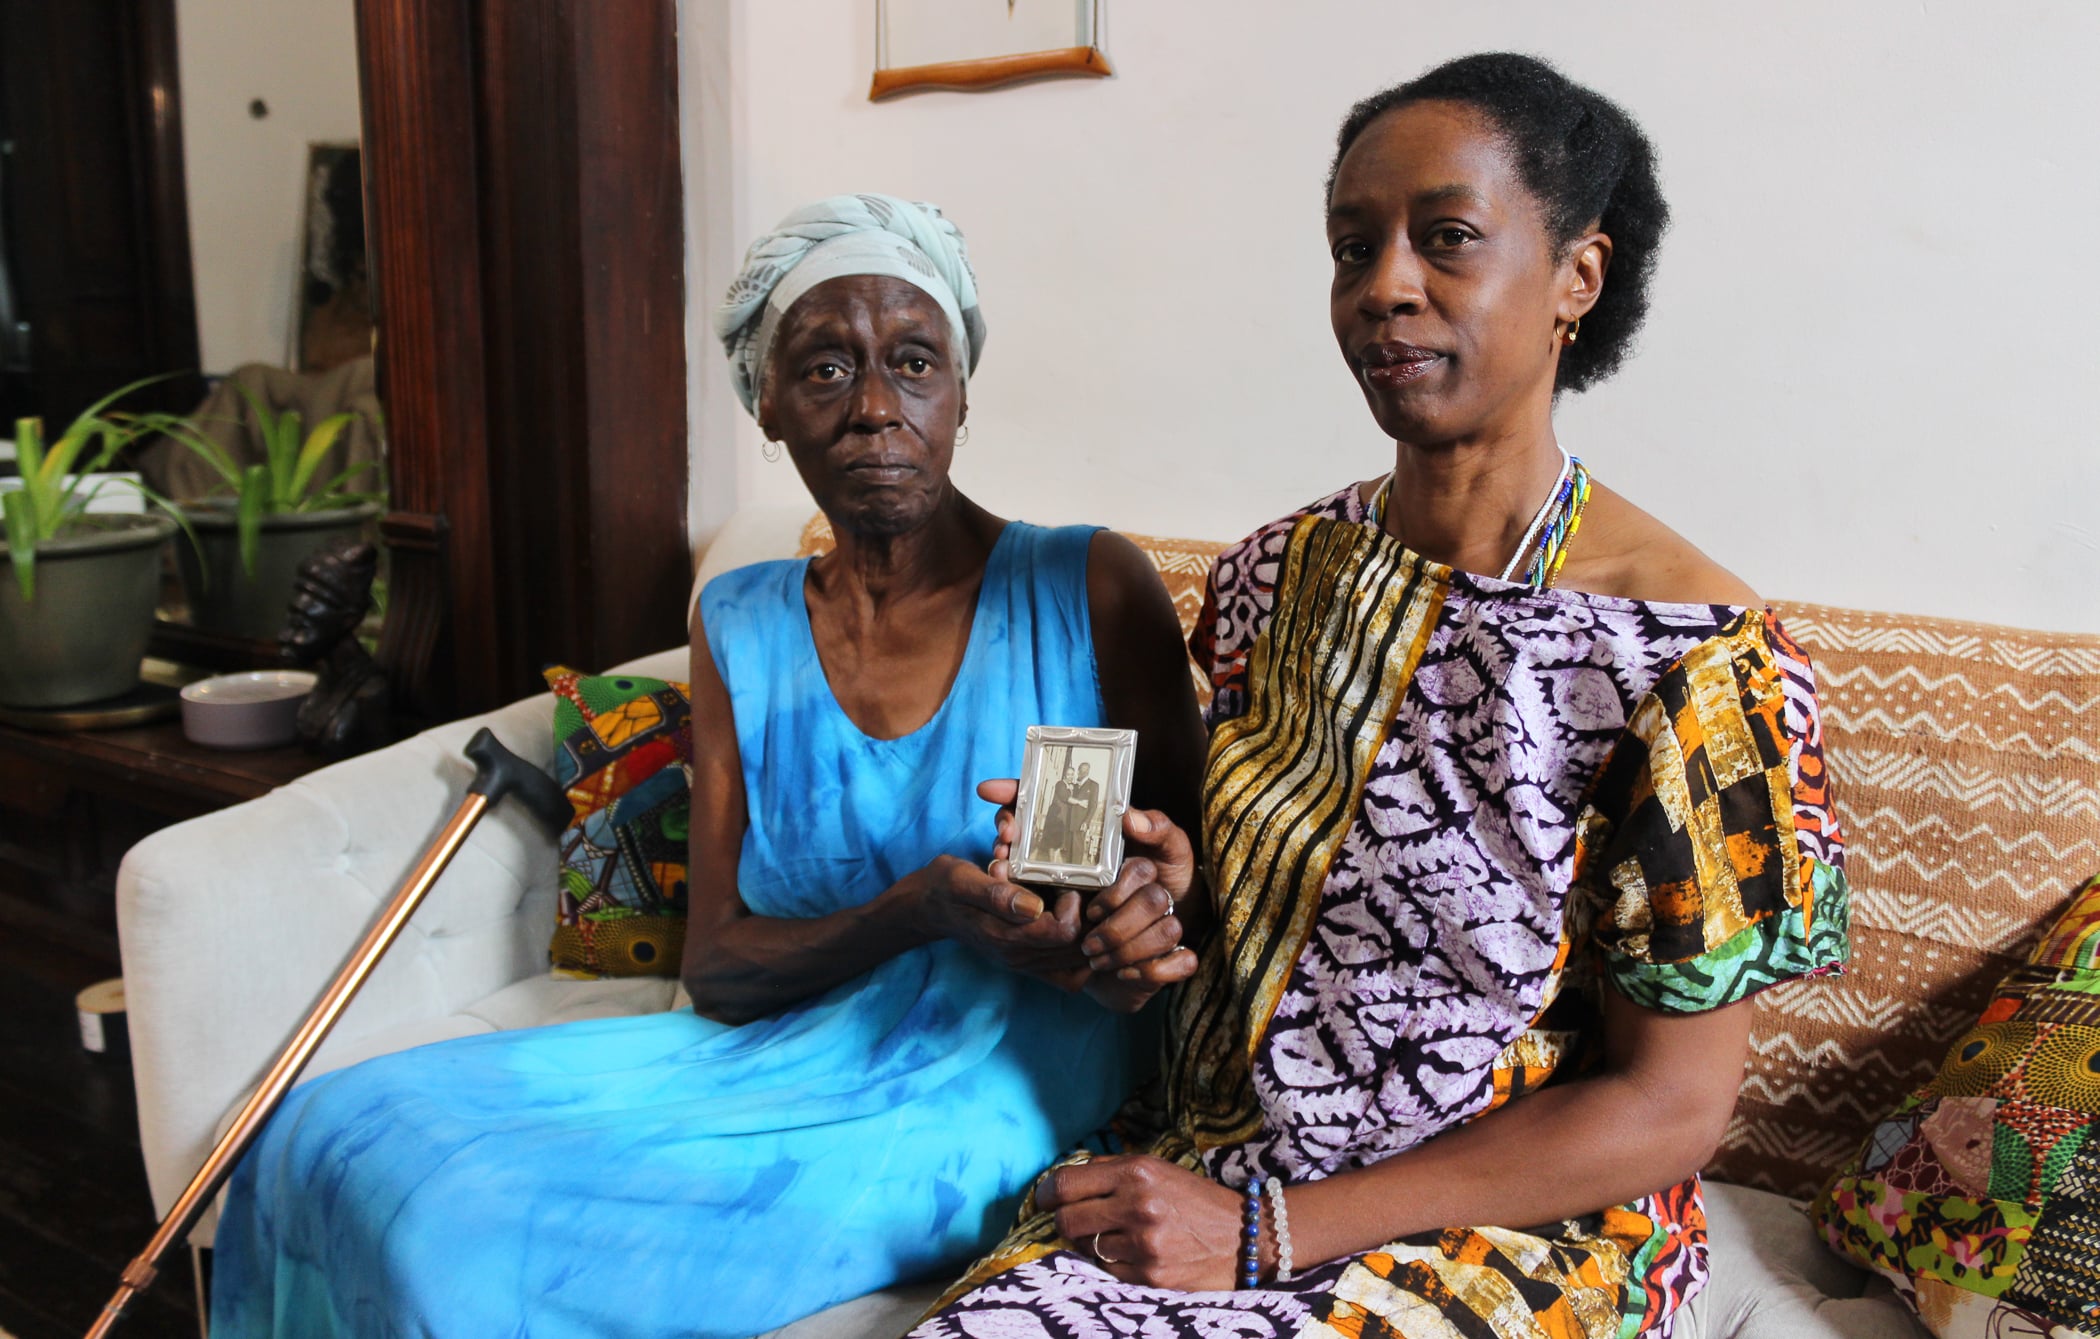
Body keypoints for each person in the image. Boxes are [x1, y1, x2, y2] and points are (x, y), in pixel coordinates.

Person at [916, 53, 1850, 1338]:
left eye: (1447, 238)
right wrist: (1140, 907)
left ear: (1580, 273)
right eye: (1354, 249)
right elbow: (1229, 896)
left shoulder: (1693, 661)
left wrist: (1264, 1236)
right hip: (1215, 1156)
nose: (1385, 288)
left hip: (1506, 1228)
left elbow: (1670, 1108)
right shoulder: (1280, 576)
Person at [208, 193, 1209, 1338]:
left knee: (461, 1219)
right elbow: (723, 972)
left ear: (962, 393)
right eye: (826, 371)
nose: (879, 407)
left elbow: (1206, 899)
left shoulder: (1088, 584)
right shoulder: (740, 620)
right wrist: (922, 906)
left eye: (916, 363)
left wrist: (1145, 913)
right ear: (768, 405)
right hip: (772, 1046)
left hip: (1000, 1080)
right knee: (324, 1125)